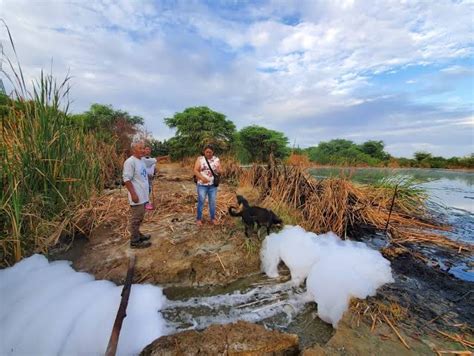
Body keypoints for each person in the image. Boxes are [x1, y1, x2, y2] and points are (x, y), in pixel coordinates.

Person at [123, 141, 152, 248]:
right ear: (133, 150)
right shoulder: (130, 162)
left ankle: (138, 235)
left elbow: (141, 175)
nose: (143, 150)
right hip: (137, 197)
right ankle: (134, 241)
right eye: (140, 148)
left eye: (144, 148)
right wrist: (133, 194)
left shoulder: (142, 161)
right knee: (135, 219)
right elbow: (126, 179)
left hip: (144, 196)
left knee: (140, 217)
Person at [193, 144, 221, 226]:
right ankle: (198, 219)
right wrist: (202, 178)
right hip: (202, 185)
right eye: (207, 152)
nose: (208, 154)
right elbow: (195, 170)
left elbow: (220, 171)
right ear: (204, 152)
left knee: (212, 202)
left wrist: (219, 170)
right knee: (201, 201)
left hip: (212, 185)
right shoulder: (200, 159)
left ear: (213, 152)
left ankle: (212, 218)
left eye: (210, 152)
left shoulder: (216, 159)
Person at [142, 146, 157, 210]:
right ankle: (145, 203)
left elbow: (154, 168)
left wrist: (154, 173)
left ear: (150, 151)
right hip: (144, 178)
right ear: (144, 150)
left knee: (149, 190)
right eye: (146, 149)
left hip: (151, 178)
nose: (147, 151)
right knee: (145, 190)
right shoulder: (142, 159)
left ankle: (147, 202)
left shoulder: (152, 160)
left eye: (149, 149)